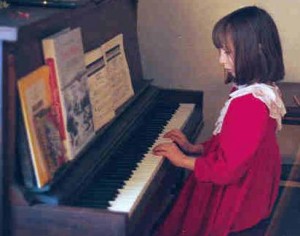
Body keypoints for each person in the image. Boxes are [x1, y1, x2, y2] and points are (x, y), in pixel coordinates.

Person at [152, 6, 286, 236]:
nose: (221, 60)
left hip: (239, 198)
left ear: (257, 50)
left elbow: (227, 170)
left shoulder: (249, 105)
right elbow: (234, 144)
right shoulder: (260, 89)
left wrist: (184, 160)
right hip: (254, 181)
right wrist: (195, 148)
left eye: (227, 52)